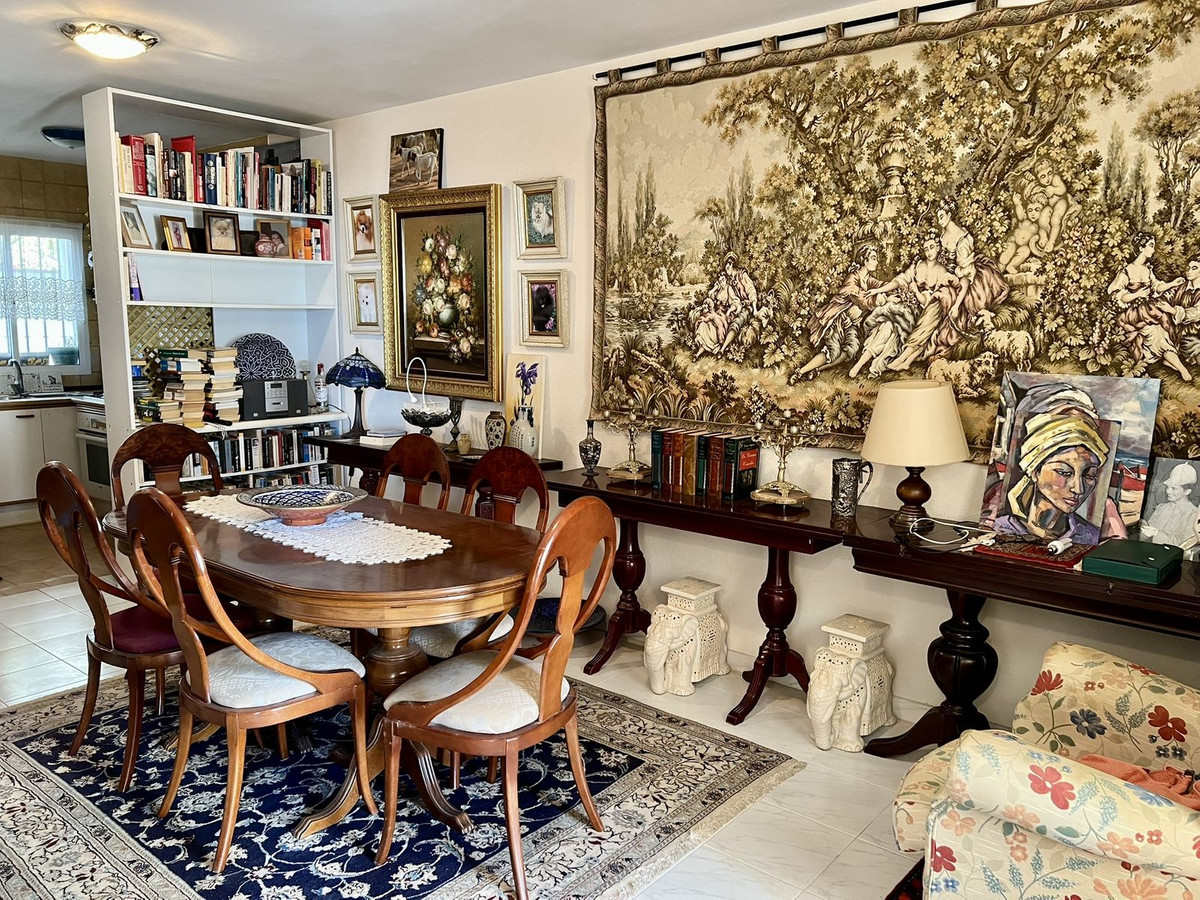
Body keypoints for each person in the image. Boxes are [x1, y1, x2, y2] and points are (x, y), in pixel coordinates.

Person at [993, 411, 1112, 545]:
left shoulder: (1090, 537)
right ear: (1035, 471)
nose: (1079, 489)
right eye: (1064, 472)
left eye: (1090, 475)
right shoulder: (999, 528)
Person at [867, 235, 960, 374]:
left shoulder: (942, 271)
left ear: (938, 247)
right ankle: (898, 360)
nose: (929, 252)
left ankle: (902, 361)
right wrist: (878, 290)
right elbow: (900, 280)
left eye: (932, 247)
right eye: (926, 249)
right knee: (892, 318)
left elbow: (932, 300)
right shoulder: (918, 265)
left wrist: (916, 290)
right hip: (912, 307)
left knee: (927, 327)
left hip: (927, 309)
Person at [796, 245, 881, 379]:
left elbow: (881, 286)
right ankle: (800, 372)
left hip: (852, 324)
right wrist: (873, 301)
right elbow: (857, 298)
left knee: (851, 349)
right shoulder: (853, 277)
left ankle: (818, 369)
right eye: (873, 258)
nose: (876, 262)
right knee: (833, 350)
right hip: (839, 319)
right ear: (865, 260)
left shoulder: (868, 280)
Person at [1109, 234, 1188, 378]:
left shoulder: (1147, 270)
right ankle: (1178, 366)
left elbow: (1157, 286)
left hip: (1149, 309)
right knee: (1155, 332)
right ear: (1141, 248)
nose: (1153, 249)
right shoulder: (1127, 270)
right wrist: (1137, 294)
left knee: (1165, 327)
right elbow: (1118, 295)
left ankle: (1172, 361)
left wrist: (1172, 283)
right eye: (1151, 245)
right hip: (1134, 313)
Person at [1141, 464, 1199, 547]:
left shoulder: (1194, 515)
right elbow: (1146, 536)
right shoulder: (1161, 508)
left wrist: (1157, 533)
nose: (1168, 491)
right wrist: (1143, 529)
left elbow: (1185, 546)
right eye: (1168, 487)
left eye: (1174, 488)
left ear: (1187, 491)